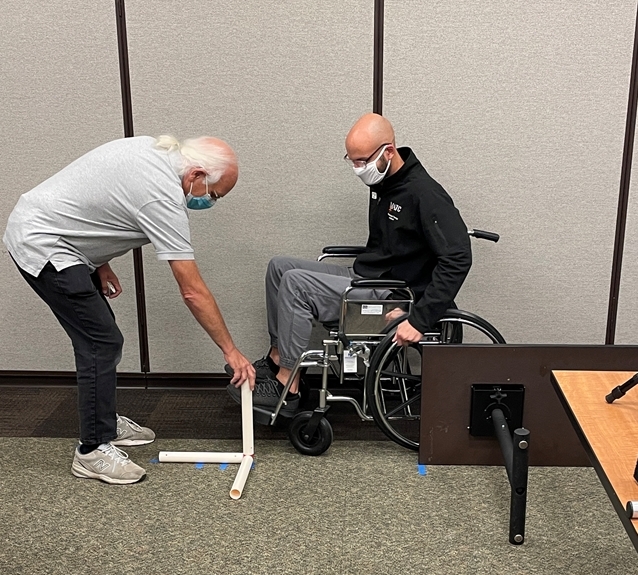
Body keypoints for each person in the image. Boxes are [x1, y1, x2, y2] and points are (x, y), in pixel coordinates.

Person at [3, 134, 255, 484]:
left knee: (104, 337)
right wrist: (231, 350)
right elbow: (192, 291)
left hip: (62, 238)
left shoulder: (155, 149)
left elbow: (100, 200)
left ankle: (102, 420)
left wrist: (98, 260)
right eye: (213, 195)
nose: (209, 203)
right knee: (100, 342)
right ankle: (91, 450)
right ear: (197, 174)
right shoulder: (162, 195)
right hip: (43, 242)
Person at [226, 112, 472, 416]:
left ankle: (288, 385)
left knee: (296, 284)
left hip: (390, 293)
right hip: (367, 276)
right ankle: (278, 358)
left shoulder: (424, 193)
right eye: (352, 161)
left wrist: (419, 318)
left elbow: (458, 257)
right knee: (280, 267)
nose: (358, 169)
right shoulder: (387, 183)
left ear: (389, 151)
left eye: (362, 162)